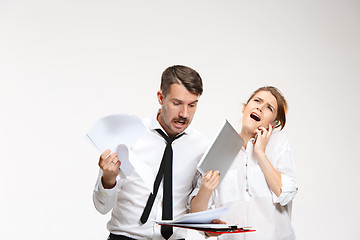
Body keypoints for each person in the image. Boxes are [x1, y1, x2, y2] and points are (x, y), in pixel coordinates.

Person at [93, 65, 209, 240]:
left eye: (192, 105)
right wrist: (108, 179)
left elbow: (196, 208)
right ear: (161, 97)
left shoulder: (201, 145)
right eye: (177, 103)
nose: (184, 114)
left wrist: (211, 223)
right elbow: (102, 207)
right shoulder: (129, 134)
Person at [190, 86, 298, 240]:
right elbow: (196, 217)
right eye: (257, 101)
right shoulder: (220, 150)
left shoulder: (279, 143)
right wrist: (206, 190)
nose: (260, 107)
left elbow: (285, 193)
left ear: (273, 123)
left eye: (269, 107)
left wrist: (260, 153)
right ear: (244, 108)